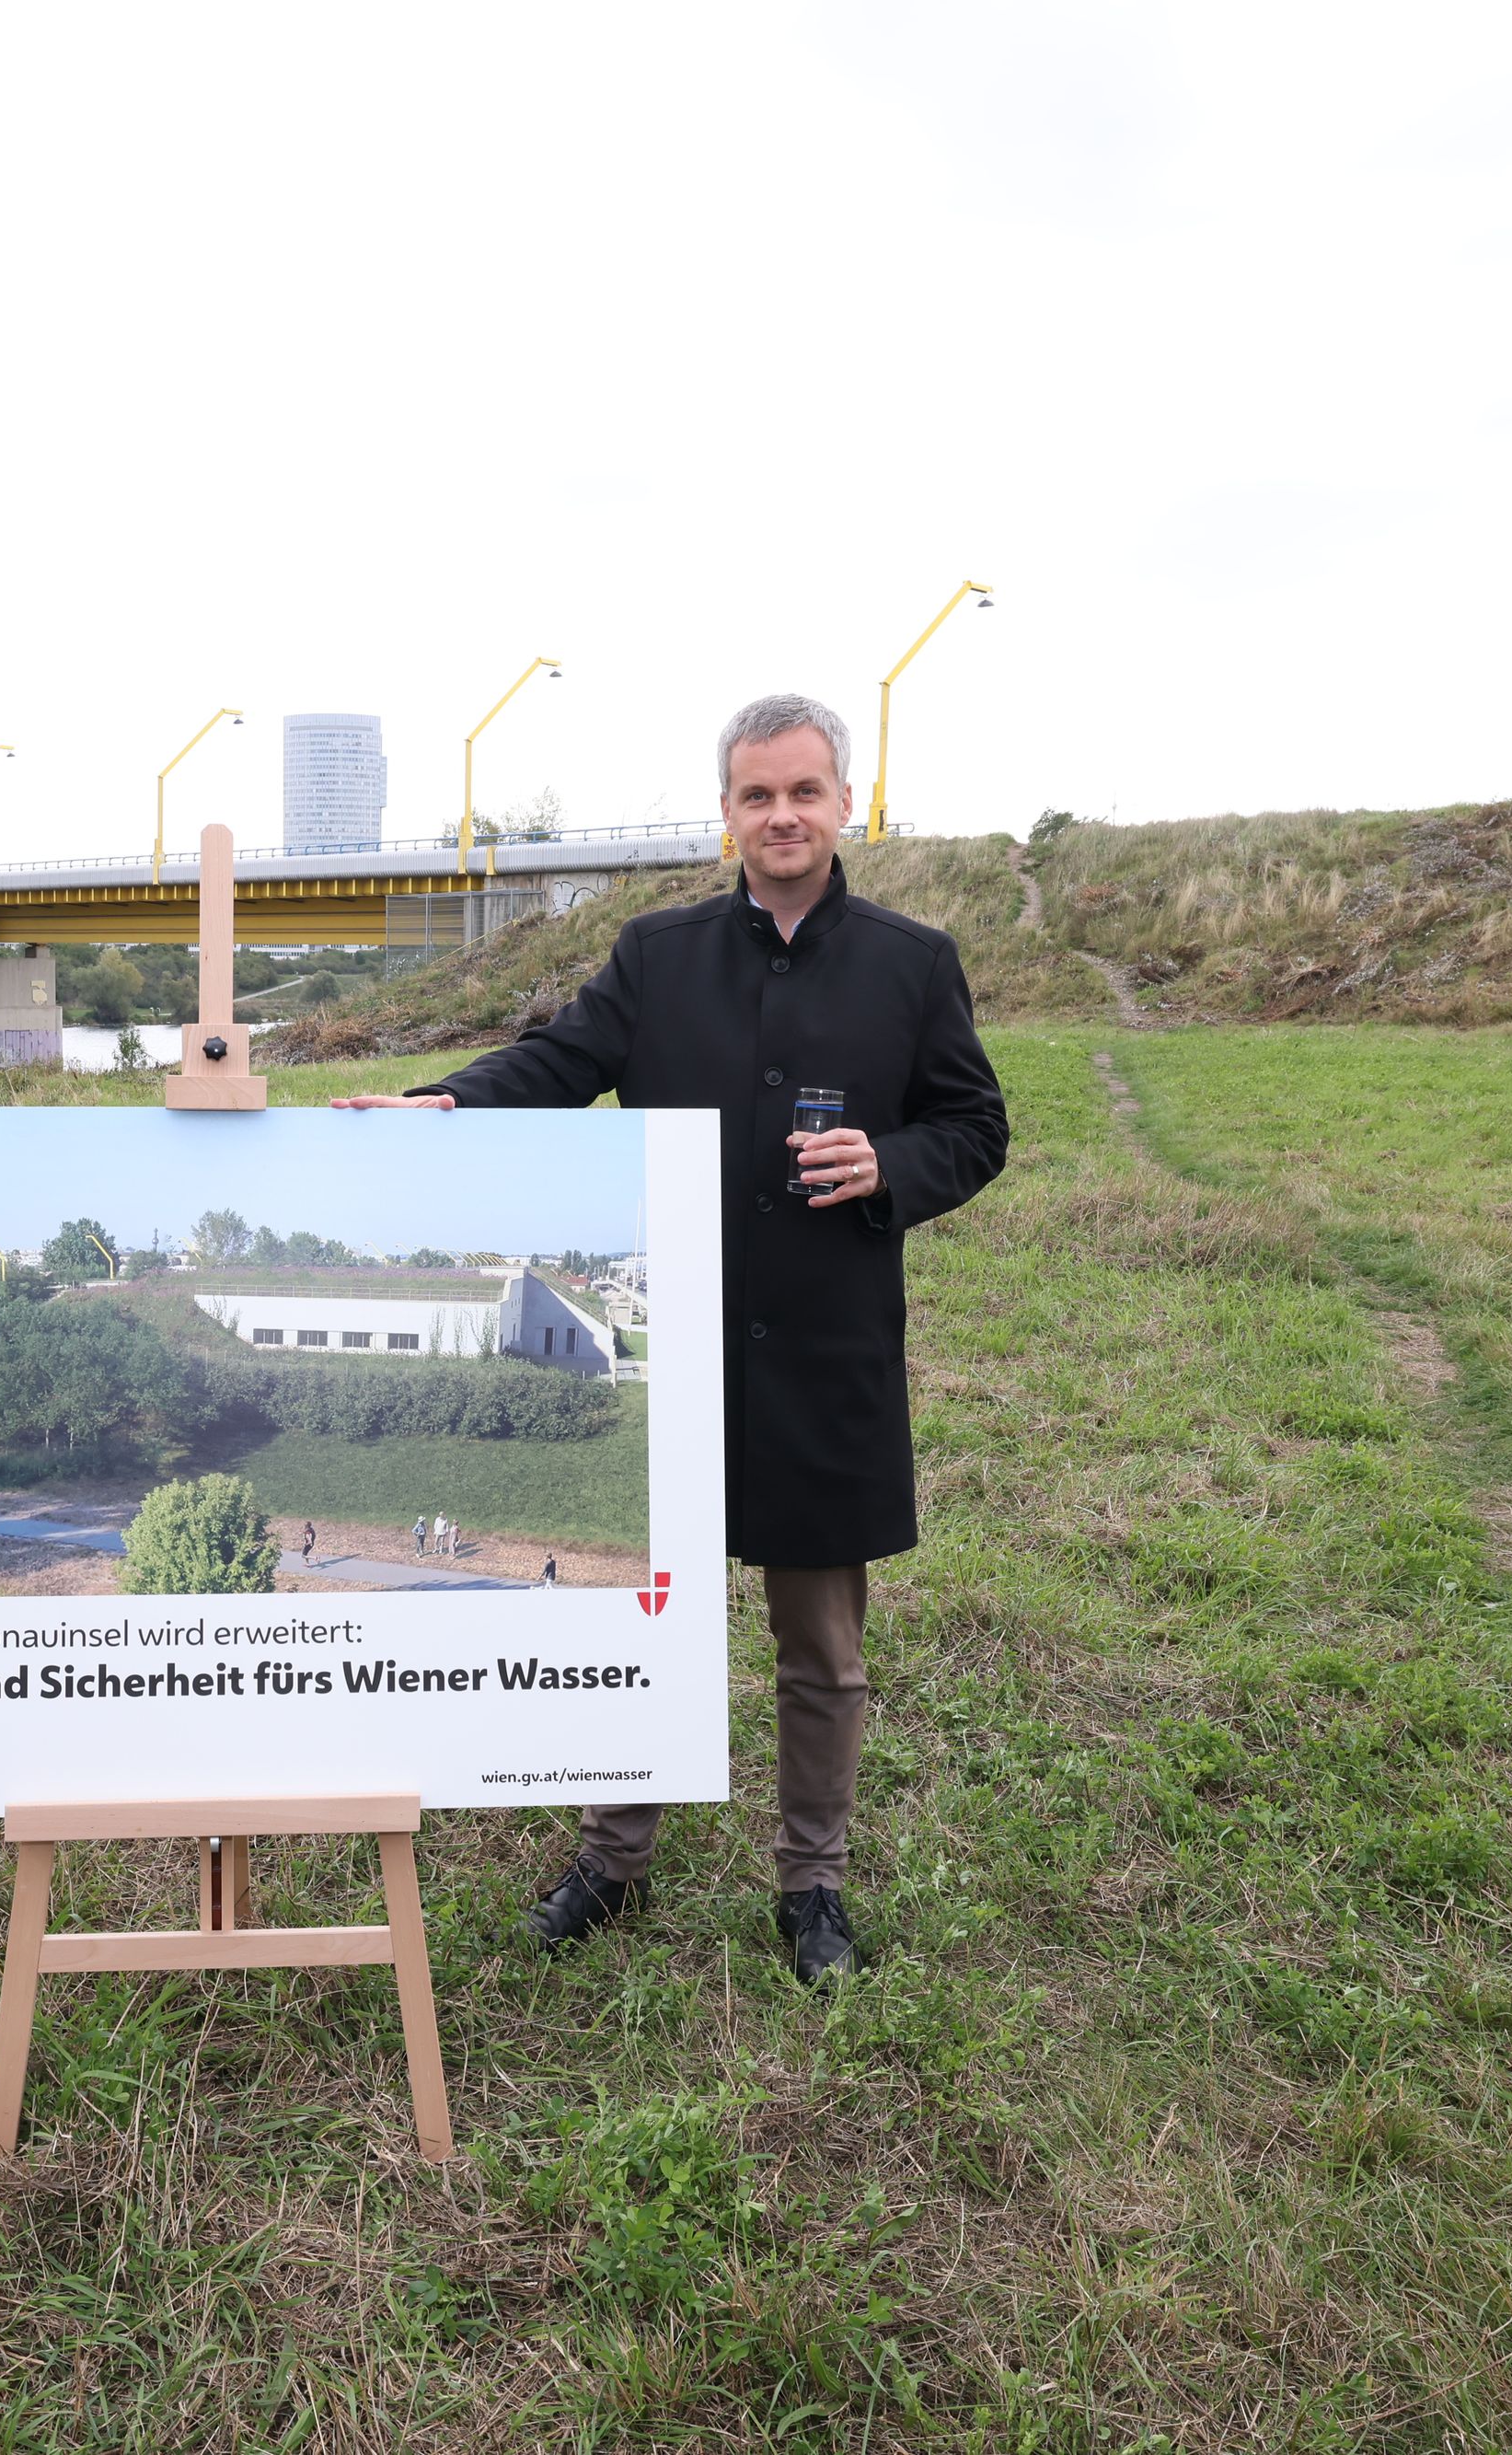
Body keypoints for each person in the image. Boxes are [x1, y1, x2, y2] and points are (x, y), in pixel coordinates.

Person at [337, 691, 1008, 1984]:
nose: (783, 816)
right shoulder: (660, 952)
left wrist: (895, 1161)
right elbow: (560, 1059)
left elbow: (977, 1128)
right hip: (687, 1356)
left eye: (804, 792)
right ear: (727, 814)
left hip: (827, 1357)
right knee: (646, 1615)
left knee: (820, 1644)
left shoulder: (913, 963)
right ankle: (613, 1857)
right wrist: (447, 1103)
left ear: (844, 801)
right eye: (757, 796)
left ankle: (812, 1885)